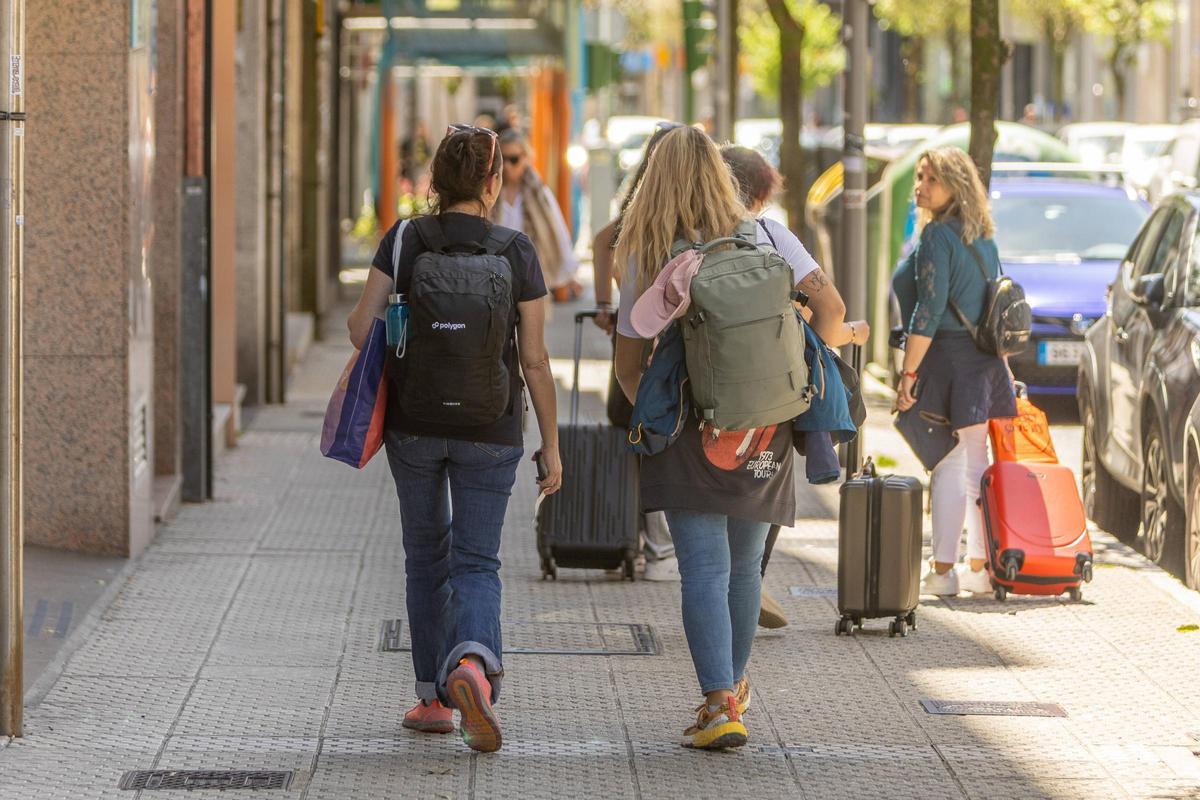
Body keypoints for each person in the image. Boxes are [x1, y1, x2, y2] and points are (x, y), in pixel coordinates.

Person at [347, 123, 563, 753]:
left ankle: (432, 700)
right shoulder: (516, 249)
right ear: (494, 183)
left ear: (436, 181)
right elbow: (536, 361)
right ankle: (472, 665)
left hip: (413, 427)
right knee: (477, 560)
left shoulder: (405, 238)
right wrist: (550, 443)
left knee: (425, 556)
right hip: (491, 429)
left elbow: (363, 330)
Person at [612, 126, 819, 751]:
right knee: (744, 568)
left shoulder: (645, 248)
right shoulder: (768, 233)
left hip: (689, 421)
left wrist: (649, 412)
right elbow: (829, 313)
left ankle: (719, 700)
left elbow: (628, 360)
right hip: (768, 422)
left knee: (702, 567)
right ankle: (732, 688)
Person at [719, 144, 871, 628]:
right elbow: (832, 314)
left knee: (706, 498)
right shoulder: (771, 235)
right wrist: (843, 340)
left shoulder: (686, 236)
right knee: (761, 483)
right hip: (769, 400)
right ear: (761, 194)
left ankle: (718, 585)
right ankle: (747, 583)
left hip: (701, 398)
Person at [891, 147, 1017, 597]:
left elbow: (928, 309)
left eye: (931, 179)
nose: (920, 187)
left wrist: (908, 375)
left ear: (955, 187)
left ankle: (943, 571)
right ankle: (980, 568)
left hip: (947, 359)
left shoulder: (938, 238)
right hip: (982, 361)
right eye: (920, 177)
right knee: (973, 463)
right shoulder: (982, 235)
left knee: (946, 462)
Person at [493, 128, 582, 303]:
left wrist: (569, 273)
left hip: (530, 278)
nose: (508, 166)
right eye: (503, 159)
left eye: (514, 159)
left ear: (526, 158)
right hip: (494, 278)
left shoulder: (539, 192)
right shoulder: (489, 192)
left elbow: (557, 231)